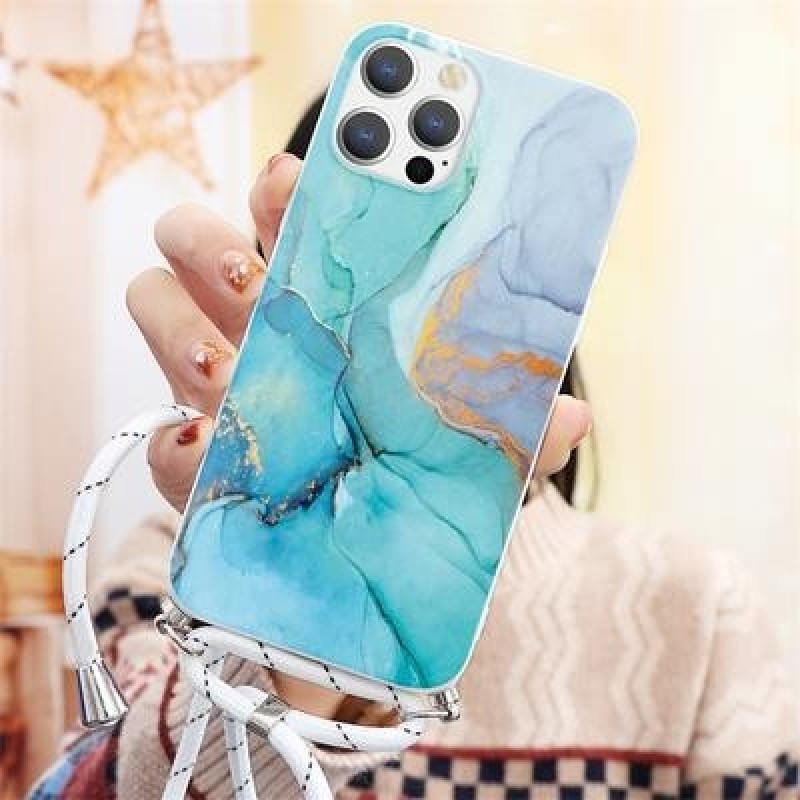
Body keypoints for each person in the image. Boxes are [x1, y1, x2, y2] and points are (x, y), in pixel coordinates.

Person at [29, 98, 798, 800]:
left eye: (461, 251)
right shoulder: (175, 577)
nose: (413, 301)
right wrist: (289, 628)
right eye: (363, 262)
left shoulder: (693, 609)